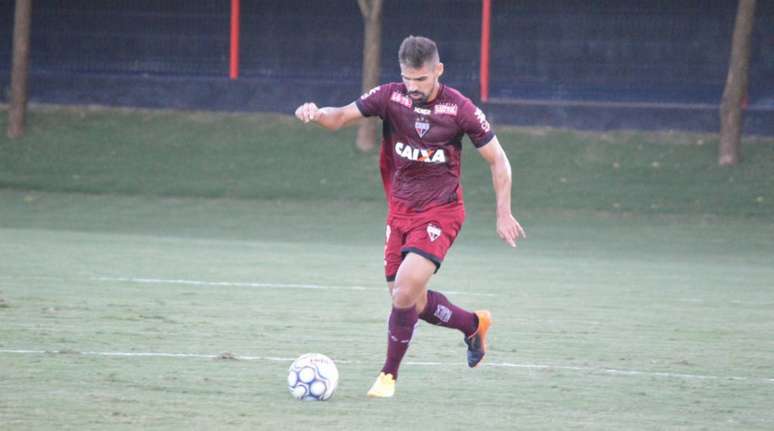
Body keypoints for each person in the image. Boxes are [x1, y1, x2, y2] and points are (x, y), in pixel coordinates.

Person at [294, 35, 525, 398]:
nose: (413, 87)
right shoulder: (390, 96)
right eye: (407, 79)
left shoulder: (459, 109)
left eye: (421, 79)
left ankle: (388, 376)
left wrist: (503, 212)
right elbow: (338, 117)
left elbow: (498, 159)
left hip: (441, 212)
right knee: (411, 302)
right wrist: (315, 112)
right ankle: (473, 324)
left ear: (438, 71)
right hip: (399, 214)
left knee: (403, 292)